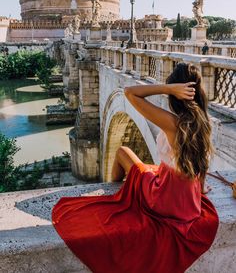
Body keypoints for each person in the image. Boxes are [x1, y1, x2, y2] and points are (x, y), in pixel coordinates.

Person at [51, 62, 219, 273]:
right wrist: (201, 190)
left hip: (163, 201)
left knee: (122, 151)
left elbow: (130, 93)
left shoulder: (172, 123)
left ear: (176, 93)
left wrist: (167, 88)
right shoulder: (203, 122)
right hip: (189, 204)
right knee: (147, 168)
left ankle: (112, 191)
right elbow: (201, 167)